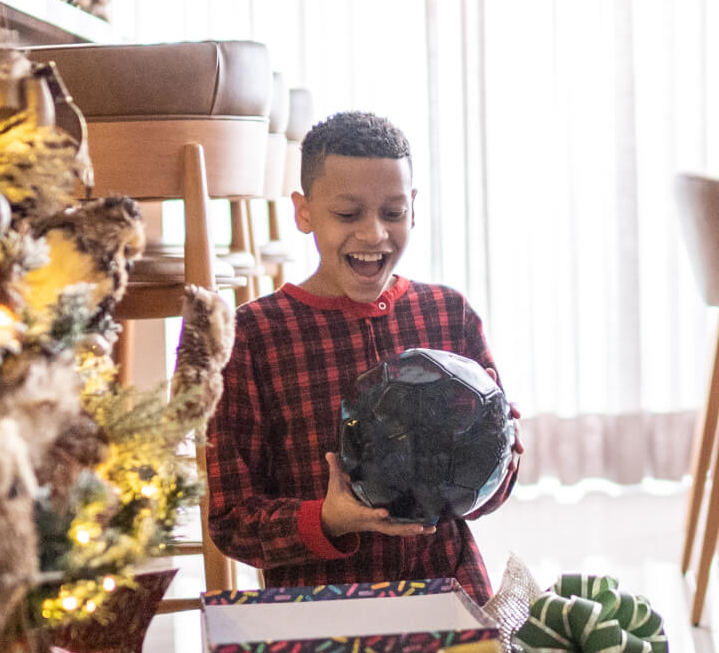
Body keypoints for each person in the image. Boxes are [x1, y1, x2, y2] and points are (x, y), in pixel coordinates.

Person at [206, 111, 518, 599]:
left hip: (450, 596)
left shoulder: (449, 314)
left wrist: (500, 452)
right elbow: (231, 521)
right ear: (304, 212)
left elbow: (489, 492)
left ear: (413, 208)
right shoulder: (252, 336)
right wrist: (328, 518)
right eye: (348, 214)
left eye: (392, 213)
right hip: (318, 612)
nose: (373, 234)